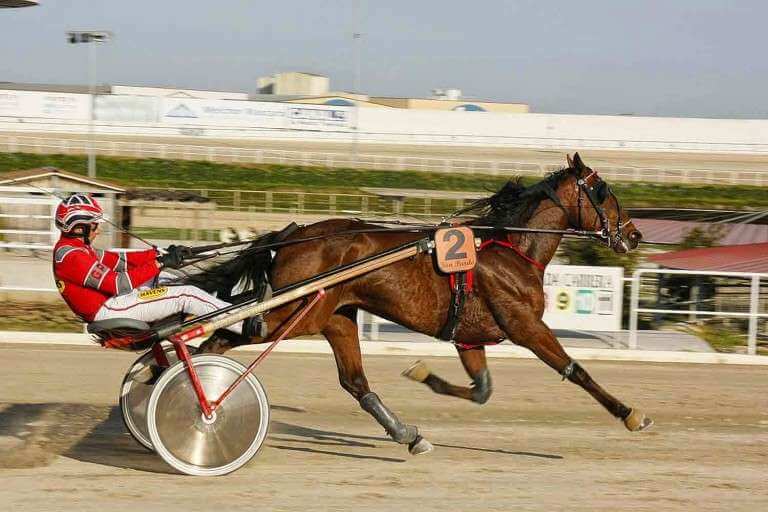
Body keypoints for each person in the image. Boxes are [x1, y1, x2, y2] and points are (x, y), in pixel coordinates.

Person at [52, 193, 256, 337]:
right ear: (79, 228)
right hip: (110, 309)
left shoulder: (78, 248)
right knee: (186, 294)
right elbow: (117, 284)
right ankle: (244, 323)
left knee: (170, 279)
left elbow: (122, 262)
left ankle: (229, 302)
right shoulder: (72, 257)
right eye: (94, 226)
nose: (98, 230)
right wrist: (159, 263)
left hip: (114, 301)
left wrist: (162, 253)